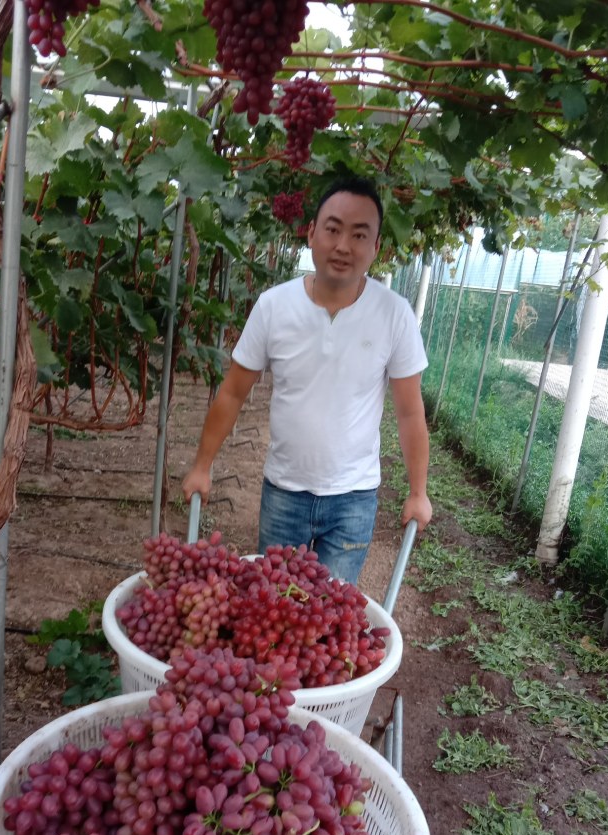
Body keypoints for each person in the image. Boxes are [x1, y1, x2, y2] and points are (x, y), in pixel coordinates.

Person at [181, 175, 432, 585]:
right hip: (285, 492)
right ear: (312, 233)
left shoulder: (395, 314)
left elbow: (409, 412)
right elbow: (232, 393)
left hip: (354, 499)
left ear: (376, 246)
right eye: (332, 229)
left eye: (359, 234)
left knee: (330, 616)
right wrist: (201, 466)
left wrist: (418, 492)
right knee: (274, 608)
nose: (343, 246)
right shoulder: (274, 307)